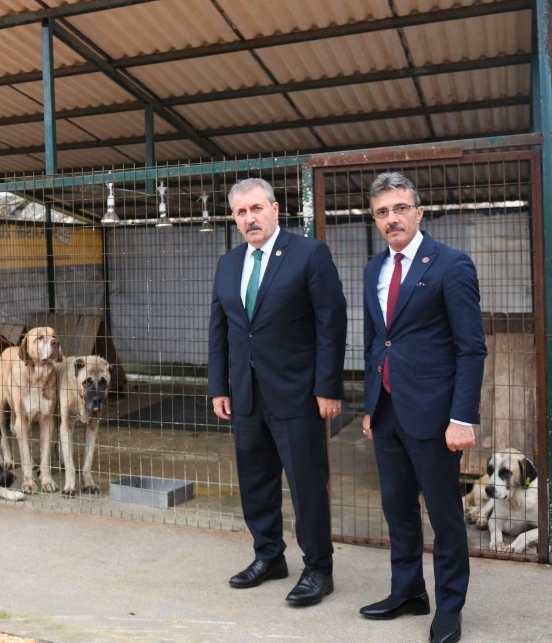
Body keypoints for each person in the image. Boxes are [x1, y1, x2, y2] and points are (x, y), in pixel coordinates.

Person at [358, 172, 486, 643]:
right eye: (382, 212)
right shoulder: (375, 269)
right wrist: (371, 406)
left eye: (399, 208)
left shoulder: (452, 265)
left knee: (444, 514)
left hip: (435, 414)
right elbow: (377, 341)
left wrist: (462, 417)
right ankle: (408, 590)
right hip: (388, 410)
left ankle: (449, 608)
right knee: (397, 508)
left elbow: (471, 348)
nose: (392, 219)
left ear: (419, 211)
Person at [208, 177, 347, 606]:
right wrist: (218, 386)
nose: (249, 218)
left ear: (275, 208)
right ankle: (268, 556)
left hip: (298, 395)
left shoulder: (309, 254)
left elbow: (331, 323)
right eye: (240, 212)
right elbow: (220, 329)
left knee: (306, 484)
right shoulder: (229, 263)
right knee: (255, 482)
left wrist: (328, 387)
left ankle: (318, 568)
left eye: (256, 208)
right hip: (246, 396)